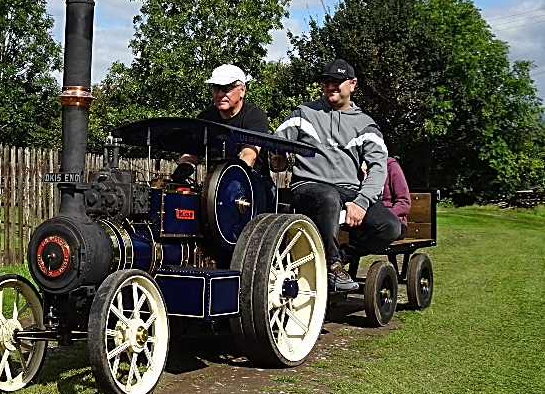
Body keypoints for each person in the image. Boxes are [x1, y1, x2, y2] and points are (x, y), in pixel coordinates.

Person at [271, 58, 401, 292]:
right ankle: (333, 268)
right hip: (308, 186)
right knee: (328, 196)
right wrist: (277, 156)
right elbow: (276, 141)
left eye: (338, 81)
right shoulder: (303, 113)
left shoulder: (366, 124)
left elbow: (378, 168)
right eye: (327, 81)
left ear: (352, 84)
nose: (331, 86)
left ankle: (338, 259)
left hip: (349, 190)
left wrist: (360, 203)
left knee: (390, 227)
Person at [172, 64, 274, 212]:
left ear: (242, 90)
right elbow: (191, 154)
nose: (220, 94)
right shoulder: (206, 117)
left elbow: (249, 156)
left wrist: (227, 184)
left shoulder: (255, 117)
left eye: (226, 89)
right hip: (214, 183)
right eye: (216, 89)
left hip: (252, 180)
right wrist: (182, 170)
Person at [383, 156, 411, 240]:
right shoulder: (356, 168)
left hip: (395, 223)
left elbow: (404, 202)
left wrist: (383, 217)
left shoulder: (391, 166)